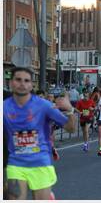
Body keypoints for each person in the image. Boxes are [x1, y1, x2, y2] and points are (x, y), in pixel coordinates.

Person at [4, 67, 75, 200]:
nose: (22, 84)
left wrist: (70, 110)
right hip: (16, 164)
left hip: (40, 163)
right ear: (11, 83)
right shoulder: (4, 107)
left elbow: (70, 129)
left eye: (26, 81)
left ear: (32, 85)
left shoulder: (44, 106)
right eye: (18, 80)